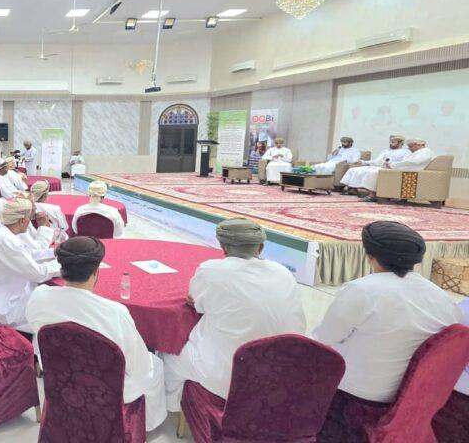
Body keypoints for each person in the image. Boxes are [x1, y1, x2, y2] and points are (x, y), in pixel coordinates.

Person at [163, 218, 306, 410]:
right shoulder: (283, 272)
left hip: (231, 378)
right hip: (285, 372)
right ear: (261, 247)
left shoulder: (211, 270)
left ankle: (175, 408)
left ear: (223, 247)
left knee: (169, 353)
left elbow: (197, 304)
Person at [26, 237, 167, 431]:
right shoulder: (115, 313)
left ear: (61, 269)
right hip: (107, 394)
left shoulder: (39, 297)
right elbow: (141, 371)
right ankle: (143, 427)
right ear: (96, 272)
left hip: (59, 382)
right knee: (155, 366)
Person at [312, 221, 461, 403]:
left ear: (369, 257)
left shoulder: (362, 290)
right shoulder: (443, 298)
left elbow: (326, 338)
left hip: (356, 393)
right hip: (412, 394)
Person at [0, 198, 61, 332]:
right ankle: (44, 341)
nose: (30, 223)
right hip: (3, 308)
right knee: (55, 304)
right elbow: (38, 274)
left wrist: (54, 253)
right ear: (22, 220)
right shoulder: (5, 240)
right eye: (29, 219)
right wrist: (62, 264)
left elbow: (28, 254)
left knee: (46, 294)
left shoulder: (1, 231)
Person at [349, 138, 434, 201]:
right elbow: (407, 162)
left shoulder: (425, 152)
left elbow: (412, 162)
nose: (410, 149)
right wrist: (392, 165)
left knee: (373, 173)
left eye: (411, 147)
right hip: (404, 170)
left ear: (418, 145)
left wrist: (392, 165)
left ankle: (372, 195)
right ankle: (371, 193)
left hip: (410, 173)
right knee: (370, 171)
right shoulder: (419, 152)